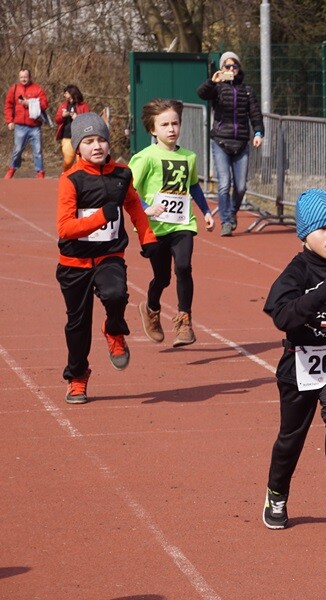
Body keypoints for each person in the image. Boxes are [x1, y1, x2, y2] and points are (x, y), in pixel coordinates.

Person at [261, 189, 326, 529]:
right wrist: (324, 291)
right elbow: (282, 316)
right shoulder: (296, 272)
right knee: (291, 438)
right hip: (300, 366)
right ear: (305, 235)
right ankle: (276, 494)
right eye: (323, 229)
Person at [56, 113, 158, 404]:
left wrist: (147, 238)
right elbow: (65, 228)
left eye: (101, 139)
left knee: (116, 295)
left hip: (108, 256)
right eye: (88, 141)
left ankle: (113, 330)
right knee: (77, 326)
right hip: (74, 263)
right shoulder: (71, 180)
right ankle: (77, 377)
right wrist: (101, 216)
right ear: (78, 147)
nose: (97, 146)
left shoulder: (122, 175)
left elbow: (134, 206)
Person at [129, 99, 215, 347]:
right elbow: (129, 189)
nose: (171, 129)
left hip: (181, 224)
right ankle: (151, 308)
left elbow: (193, 185)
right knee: (163, 278)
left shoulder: (189, 156)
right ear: (153, 129)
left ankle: (184, 320)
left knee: (184, 267)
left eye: (175, 123)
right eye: (164, 125)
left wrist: (206, 211)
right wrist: (147, 208)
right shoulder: (145, 157)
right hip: (154, 228)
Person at [196, 51, 264, 237]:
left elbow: (255, 114)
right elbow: (201, 93)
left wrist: (258, 133)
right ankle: (225, 221)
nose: (231, 69)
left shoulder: (247, 90)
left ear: (239, 68)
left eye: (235, 66)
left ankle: (232, 212)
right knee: (224, 184)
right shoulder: (217, 89)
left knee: (241, 187)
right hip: (221, 141)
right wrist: (212, 82)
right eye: (227, 66)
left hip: (241, 142)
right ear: (222, 68)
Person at [5, 69, 49, 179]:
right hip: (20, 125)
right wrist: (10, 121)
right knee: (17, 150)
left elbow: (44, 104)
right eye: (21, 77)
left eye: (25, 77)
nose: (23, 79)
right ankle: (12, 169)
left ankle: (40, 172)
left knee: (38, 150)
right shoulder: (14, 89)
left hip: (35, 126)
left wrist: (30, 102)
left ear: (30, 77)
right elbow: (8, 105)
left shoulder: (37, 89)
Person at [53, 85, 90, 172]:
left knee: (81, 161)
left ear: (72, 93)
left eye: (66, 93)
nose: (64, 95)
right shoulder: (63, 105)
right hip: (67, 136)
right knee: (68, 160)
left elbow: (88, 120)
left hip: (81, 137)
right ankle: (65, 174)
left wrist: (77, 117)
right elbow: (57, 120)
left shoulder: (84, 105)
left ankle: (80, 177)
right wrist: (63, 116)